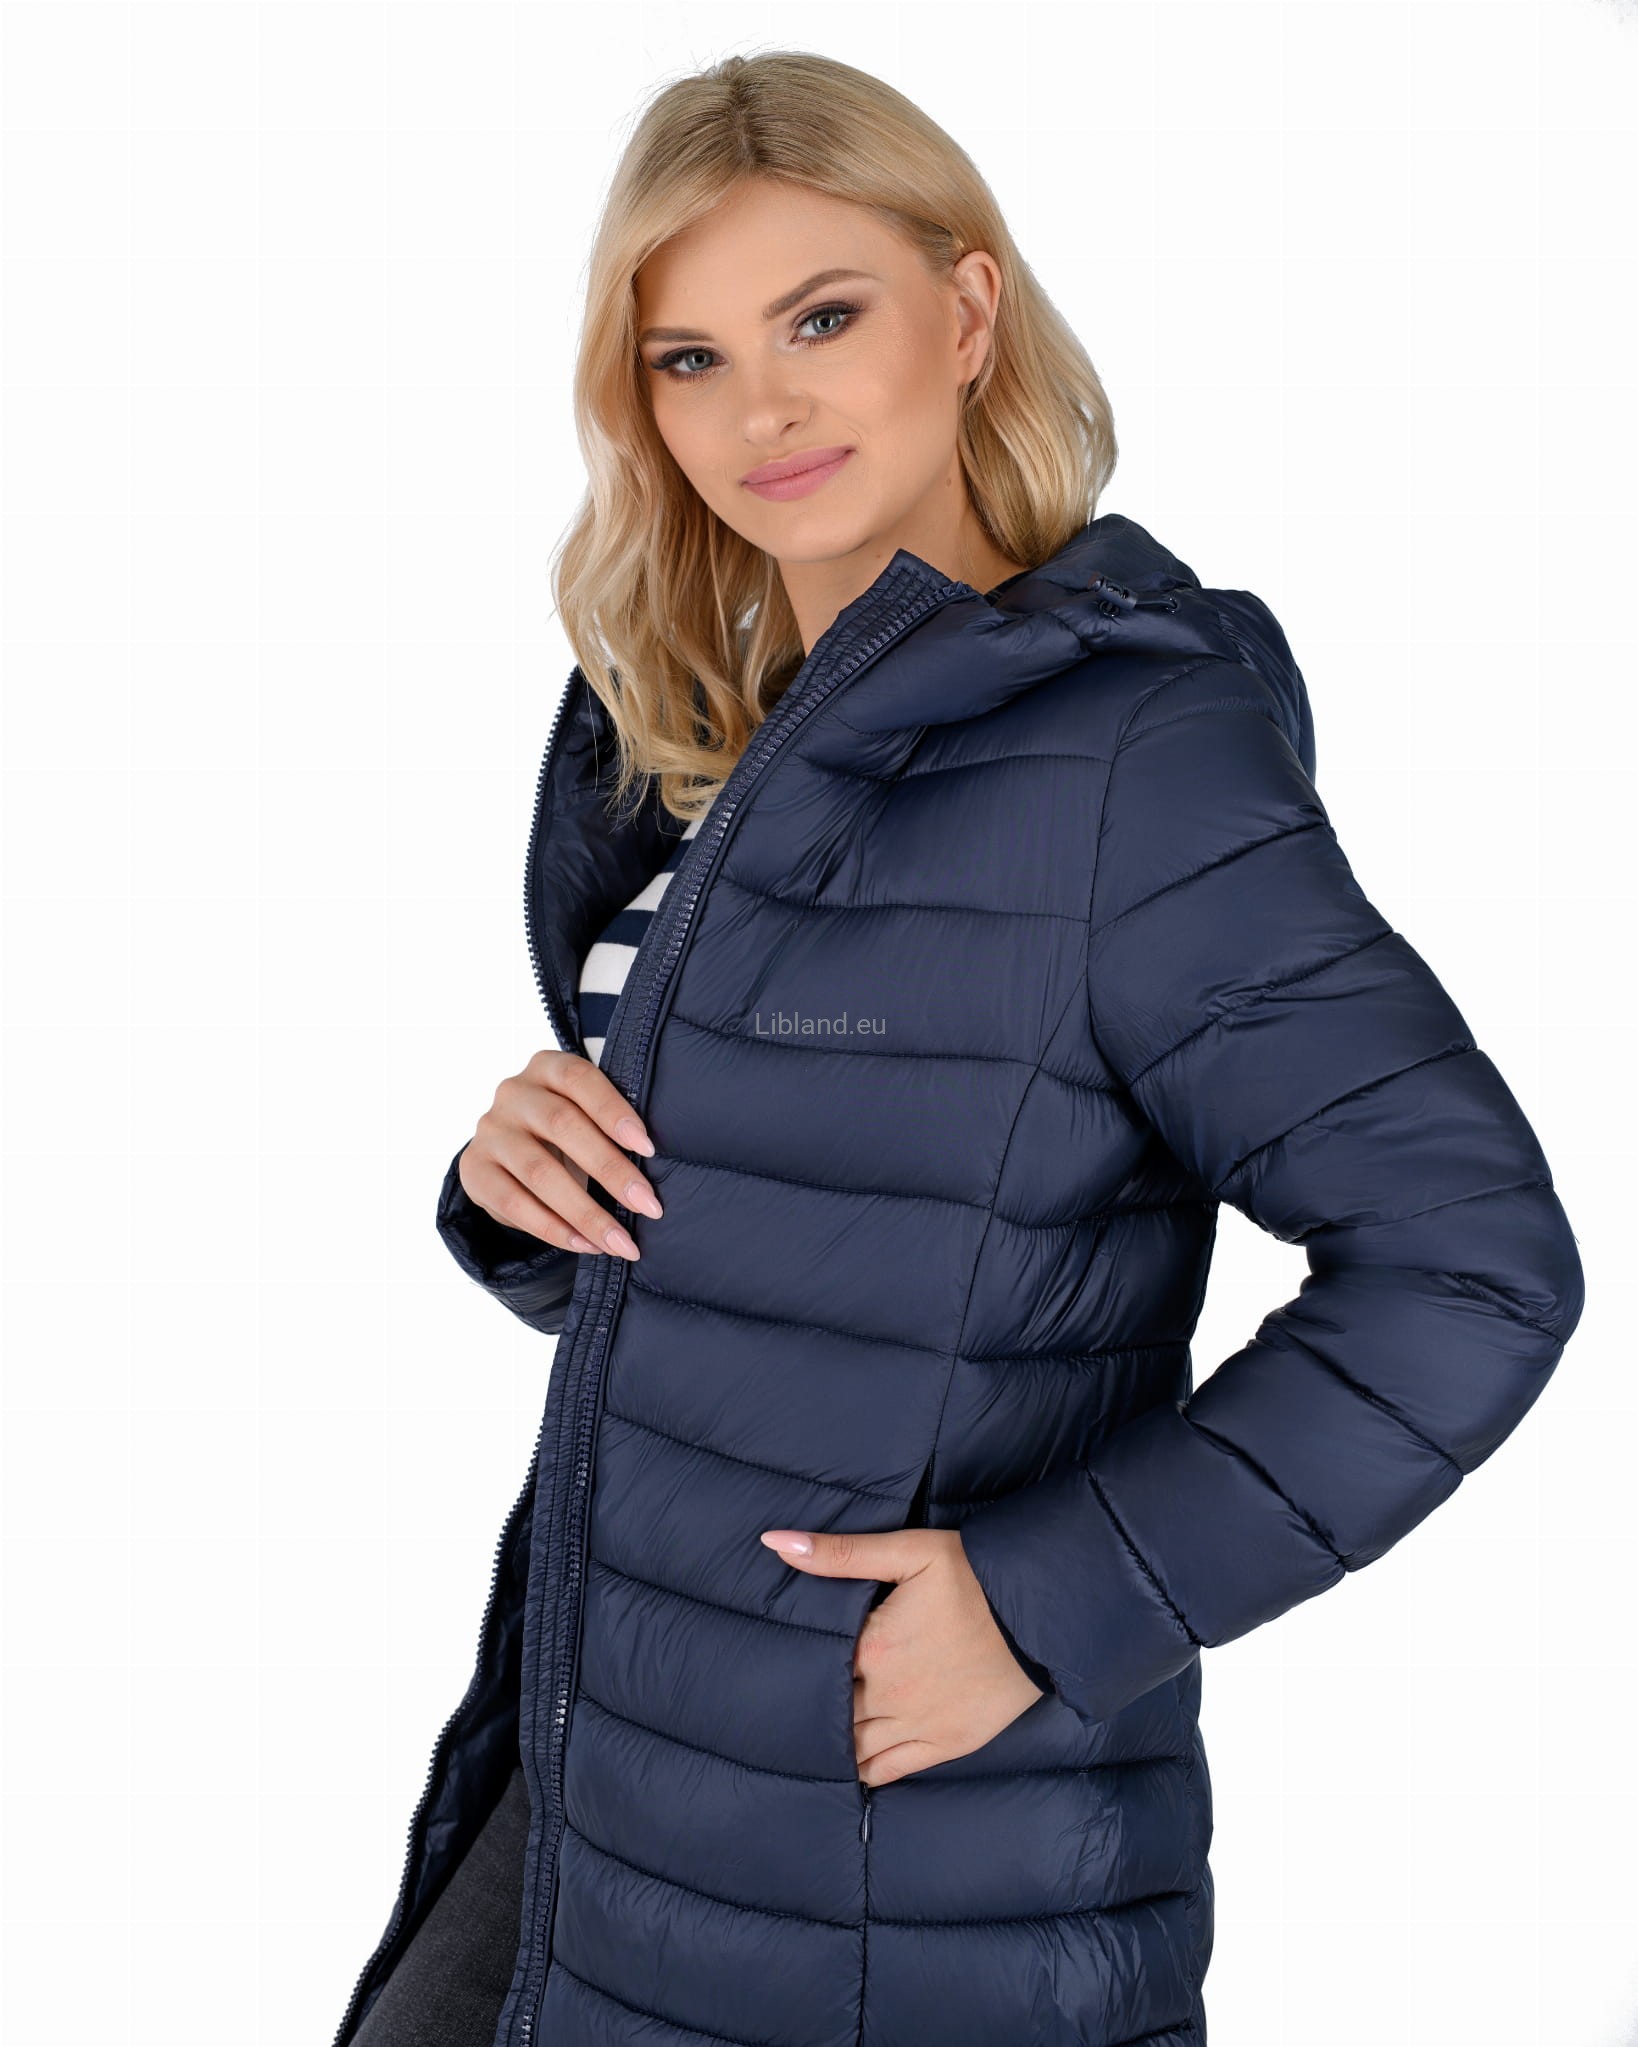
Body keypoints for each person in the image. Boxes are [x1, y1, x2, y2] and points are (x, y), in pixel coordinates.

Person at [333, 49, 1585, 2047]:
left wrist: (1050, 1597)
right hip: (608, 1757)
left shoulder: (1130, 754)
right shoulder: (704, 732)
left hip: (903, 1870)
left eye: (821, 319)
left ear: (970, 310)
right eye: (688, 358)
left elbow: (1472, 1268)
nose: (763, 408)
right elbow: (837, 1236)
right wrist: (519, 1191)